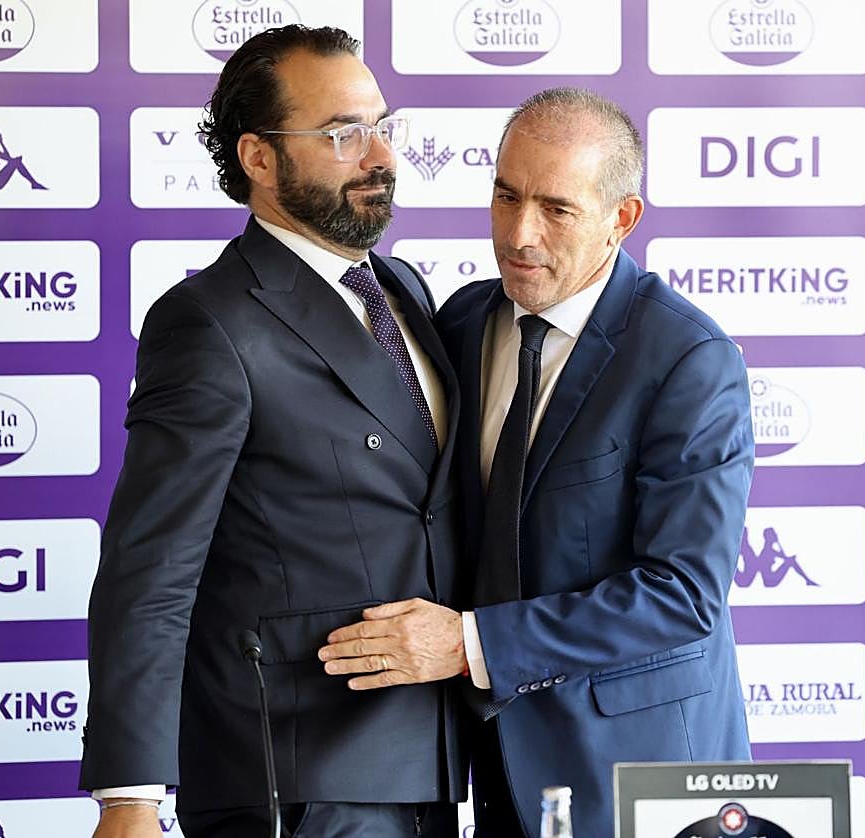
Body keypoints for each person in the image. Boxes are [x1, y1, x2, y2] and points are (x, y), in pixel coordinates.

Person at [319, 87, 754, 837]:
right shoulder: (463, 321)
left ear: (621, 218)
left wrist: (469, 644)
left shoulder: (688, 359)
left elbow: (683, 594)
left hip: (640, 776)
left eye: (557, 209)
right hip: (491, 773)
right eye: (506, 196)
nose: (520, 234)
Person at [80, 25, 466, 838]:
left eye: (383, 127)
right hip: (293, 779)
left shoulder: (404, 290)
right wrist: (130, 797)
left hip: (435, 762)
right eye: (342, 134)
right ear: (258, 158)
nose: (380, 157)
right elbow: (151, 569)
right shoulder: (208, 322)